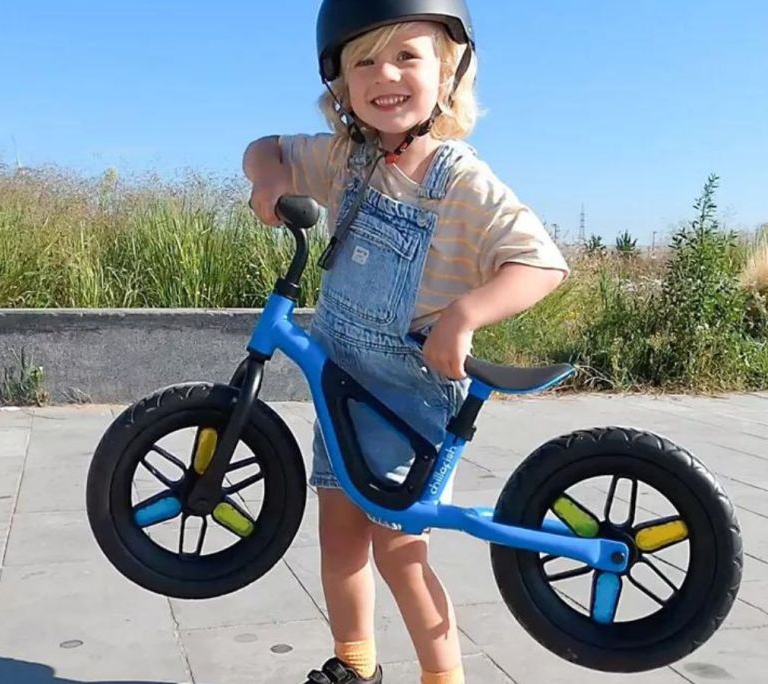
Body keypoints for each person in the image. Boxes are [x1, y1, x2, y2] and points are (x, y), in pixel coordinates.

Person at [243, 2, 569, 682]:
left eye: (407, 57)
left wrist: (465, 315)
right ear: (340, 82)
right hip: (342, 387)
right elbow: (265, 147)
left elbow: (540, 263)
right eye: (364, 60)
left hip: (410, 395)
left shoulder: (463, 181)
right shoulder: (346, 160)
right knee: (338, 539)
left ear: (447, 72)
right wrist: (270, 181)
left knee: (399, 550)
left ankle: (443, 676)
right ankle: (354, 666)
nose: (384, 74)